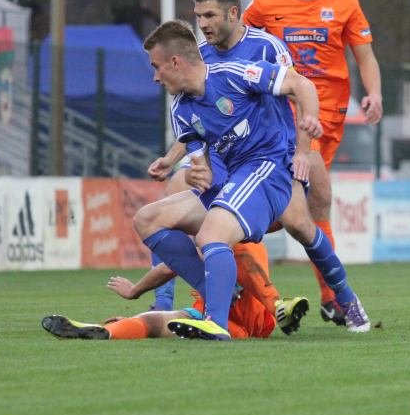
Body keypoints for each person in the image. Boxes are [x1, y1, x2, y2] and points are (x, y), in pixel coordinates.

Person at [136, 20, 370, 340]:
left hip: (269, 169)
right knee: (147, 219)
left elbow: (302, 86)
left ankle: (217, 322)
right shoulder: (180, 110)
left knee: (291, 228)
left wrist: (308, 125)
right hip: (233, 181)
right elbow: (200, 157)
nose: (155, 76)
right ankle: (222, 292)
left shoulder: (236, 72)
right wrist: (195, 169)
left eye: (156, 66)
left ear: (175, 62)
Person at [243, 0, 383, 326]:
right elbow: (239, 41)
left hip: (333, 116)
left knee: (305, 207)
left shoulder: (344, 1)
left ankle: (318, 294)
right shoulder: (266, 4)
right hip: (289, 115)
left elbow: (365, 57)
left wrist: (374, 94)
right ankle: (335, 297)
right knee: (317, 187)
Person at [144, 0, 295, 312]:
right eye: (199, 17)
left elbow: (297, 91)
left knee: (225, 233)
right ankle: (180, 300)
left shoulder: (262, 50)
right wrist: (176, 161)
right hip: (228, 166)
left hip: (267, 163)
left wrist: (304, 149)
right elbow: (197, 134)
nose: (203, 24)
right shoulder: (196, 74)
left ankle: (276, 304)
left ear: (232, 13)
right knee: (158, 213)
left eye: (209, 15)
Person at [40, 243, 310, 340]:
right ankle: (104, 331)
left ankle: (116, 329)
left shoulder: (242, 243)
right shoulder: (222, 233)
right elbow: (170, 267)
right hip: (216, 315)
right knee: (157, 321)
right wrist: (134, 291)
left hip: (250, 325)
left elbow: (170, 267)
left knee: (166, 321)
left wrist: (135, 290)